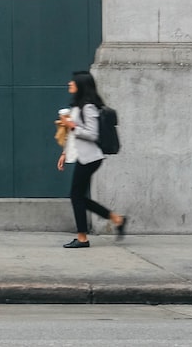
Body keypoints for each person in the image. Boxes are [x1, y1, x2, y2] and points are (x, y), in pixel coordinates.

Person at [56, 70, 127, 248]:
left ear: (80, 86)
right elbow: (73, 136)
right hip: (84, 156)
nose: (69, 84)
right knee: (78, 196)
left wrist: (72, 125)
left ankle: (82, 238)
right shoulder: (78, 106)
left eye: (72, 82)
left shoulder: (88, 107)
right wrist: (65, 153)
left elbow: (92, 134)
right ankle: (116, 219)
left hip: (91, 157)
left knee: (76, 195)